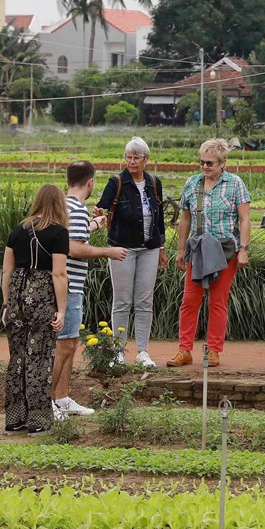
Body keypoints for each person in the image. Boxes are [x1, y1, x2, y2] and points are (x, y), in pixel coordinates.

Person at [50, 161, 128, 420]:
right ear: (90, 182)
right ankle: (49, 401)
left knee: (69, 343)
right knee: (66, 345)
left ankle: (61, 398)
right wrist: (109, 251)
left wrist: (95, 224)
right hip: (70, 285)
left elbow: (73, 236)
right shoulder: (78, 210)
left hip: (64, 285)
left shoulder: (63, 205)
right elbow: (75, 247)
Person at [168, 138, 252, 367]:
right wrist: (180, 249)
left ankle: (214, 349)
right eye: (202, 162)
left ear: (222, 163)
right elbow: (185, 218)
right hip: (198, 249)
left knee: (218, 300)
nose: (205, 167)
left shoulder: (235, 184)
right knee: (189, 300)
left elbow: (245, 218)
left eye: (210, 163)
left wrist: (244, 249)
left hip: (225, 249)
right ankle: (184, 349)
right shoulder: (192, 183)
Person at [1, 184, 69, 435]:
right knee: (39, 357)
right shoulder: (59, 233)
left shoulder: (18, 229)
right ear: (59, 203)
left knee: (17, 357)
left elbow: (6, 270)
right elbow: (59, 273)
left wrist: (7, 304)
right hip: (41, 295)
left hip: (18, 294)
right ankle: (38, 421)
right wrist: (61, 310)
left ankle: (14, 418)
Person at [94, 137, 168, 368]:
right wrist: (98, 213)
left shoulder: (154, 183)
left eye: (137, 157)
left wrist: (162, 247)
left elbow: (160, 219)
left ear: (146, 159)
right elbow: (102, 207)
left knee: (145, 300)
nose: (132, 161)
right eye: (129, 157)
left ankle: (143, 352)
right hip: (121, 248)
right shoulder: (116, 182)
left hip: (150, 248)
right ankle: (118, 351)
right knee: (123, 300)